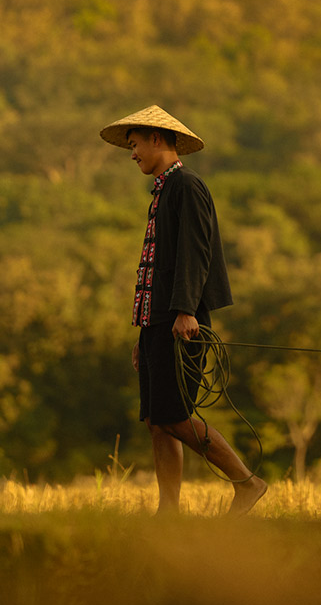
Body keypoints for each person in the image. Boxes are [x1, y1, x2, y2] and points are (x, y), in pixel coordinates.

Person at [100, 105, 267, 515]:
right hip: (160, 320)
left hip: (180, 319)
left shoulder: (187, 187)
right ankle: (168, 511)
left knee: (175, 416)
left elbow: (195, 253)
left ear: (157, 139)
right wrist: (145, 332)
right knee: (158, 421)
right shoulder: (163, 190)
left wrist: (186, 311)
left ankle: (247, 482)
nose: (133, 153)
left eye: (135, 144)